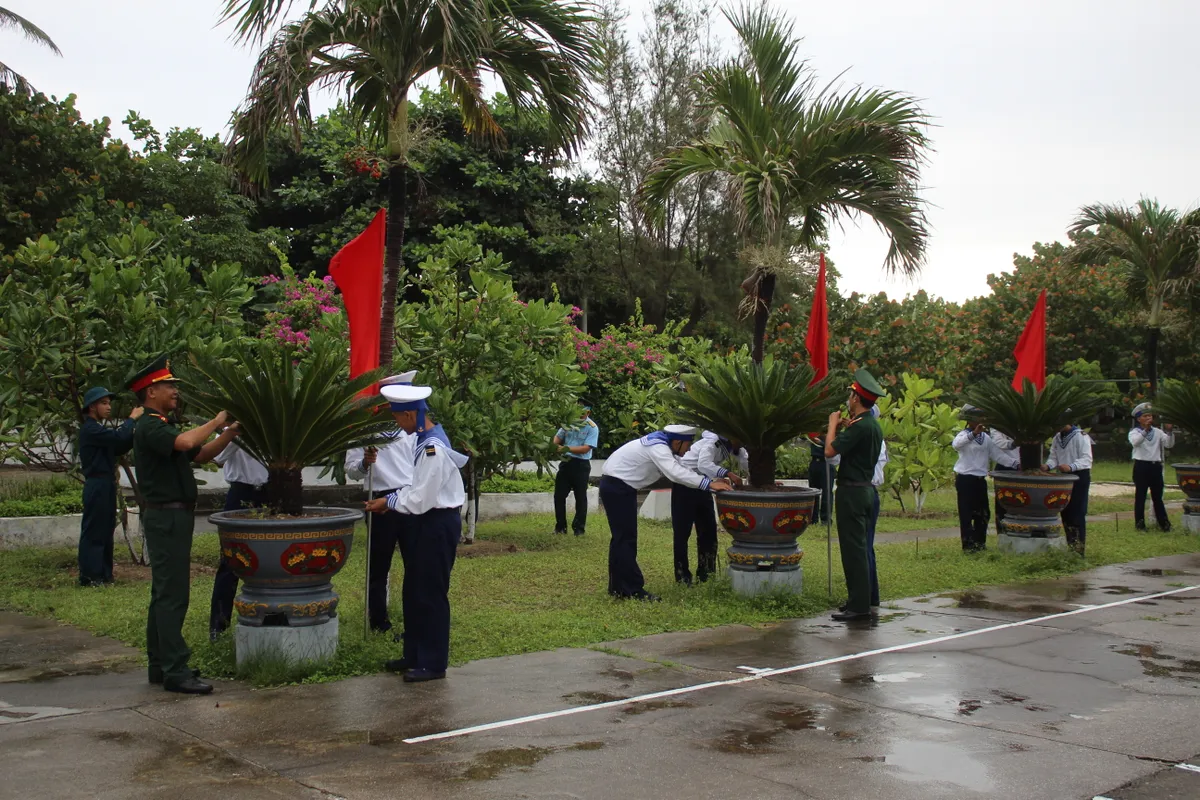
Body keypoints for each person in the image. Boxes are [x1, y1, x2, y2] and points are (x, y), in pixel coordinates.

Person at [129, 355, 238, 695]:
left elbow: (201, 454)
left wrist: (230, 432)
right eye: (168, 386)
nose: (175, 391)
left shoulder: (161, 424)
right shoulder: (150, 426)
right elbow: (188, 443)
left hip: (172, 515)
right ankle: (175, 670)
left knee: (163, 593)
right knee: (173, 594)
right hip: (166, 516)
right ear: (150, 392)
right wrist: (217, 418)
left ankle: (160, 664)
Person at [365, 383, 468, 683]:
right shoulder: (424, 440)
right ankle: (414, 654)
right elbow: (415, 486)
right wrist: (393, 500)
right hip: (426, 520)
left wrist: (390, 500)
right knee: (413, 591)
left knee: (431, 594)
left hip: (436, 523)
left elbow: (422, 498)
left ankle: (433, 663)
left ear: (410, 414)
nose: (397, 424)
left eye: (398, 418)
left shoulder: (432, 446)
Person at [600, 425, 732, 601]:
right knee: (625, 538)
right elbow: (675, 473)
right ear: (677, 442)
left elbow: (681, 468)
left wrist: (709, 480)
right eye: (688, 444)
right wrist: (708, 484)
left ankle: (618, 587)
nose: (690, 448)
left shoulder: (662, 445)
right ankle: (632, 589)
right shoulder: (659, 448)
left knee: (621, 538)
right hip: (618, 488)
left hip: (619, 486)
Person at [347, 371, 418, 635]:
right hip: (379, 498)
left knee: (415, 563)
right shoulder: (365, 431)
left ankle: (414, 619)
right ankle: (378, 621)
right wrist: (366, 462)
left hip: (410, 497)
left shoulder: (415, 428)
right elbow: (352, 470)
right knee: (378, 564)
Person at [824, 369, 885, 622]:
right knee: (862, 547)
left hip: (852, 492)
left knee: (854, 550)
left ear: (857, 399)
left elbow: (829, 451)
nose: (848, 400)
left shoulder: (860, 427)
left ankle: (858, 606)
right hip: (866, 490)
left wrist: (832, 425)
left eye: (850, 396)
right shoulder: (871, 425)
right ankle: (865, 599)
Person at [76, 387, 143, 587]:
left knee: (105, 529)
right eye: (104, 403)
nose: (108, 407)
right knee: (95, 529)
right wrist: (131, 419)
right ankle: (90, 576)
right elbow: (117, 438)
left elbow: (119, 445)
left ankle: (104, 574)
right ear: (92, 407)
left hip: (105, 483)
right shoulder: (91, 429)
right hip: (96, 483)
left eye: (108, 402)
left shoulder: (99, 429)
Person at [207, 433, 268, 641]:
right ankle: (219, 625)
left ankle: (269, 619)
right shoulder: (230, 431)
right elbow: (217, 457)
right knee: (231, 560)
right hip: (241, 492)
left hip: (271, 492)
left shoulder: (275, 425)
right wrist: (236, 431)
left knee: (270, 560)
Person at [673, 431, 747, 585]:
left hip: (703, 484)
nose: (741, 444)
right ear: (732, 437)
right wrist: (728, 474)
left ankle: (707, 574)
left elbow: (745, 460)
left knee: (708, 531)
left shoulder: (734, 446)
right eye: (740, 440)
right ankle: (682, 576)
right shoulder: (712, 442)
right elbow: (703, 464)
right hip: (685, 484)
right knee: (682, 532)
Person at [952, 408, 1020, 552]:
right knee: (966, 513)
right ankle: (968, 545)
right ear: (969, 421)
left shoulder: (986, 439)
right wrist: (973, 434)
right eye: (977, 419)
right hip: (965, 479)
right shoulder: (963, 435)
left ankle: (980, 543)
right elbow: (956, 445)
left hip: (979, 479)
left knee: (983, 513)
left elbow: (997, 455)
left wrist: (1015, 464)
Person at [1044, 421, 1093, 555]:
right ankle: (1071, 545)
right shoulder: (1057, 438)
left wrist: (1071, 466)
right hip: (1063, 477)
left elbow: (1086, 459)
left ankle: (1079, 549)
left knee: (1077, 512)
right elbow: (1054, 457)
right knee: (1065, 512)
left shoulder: (1081, 436)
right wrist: (1047, 466)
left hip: (1079, 476)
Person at [552, 399, 600, 536]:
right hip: (566, 462)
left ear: (588, 411)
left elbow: (586, 448)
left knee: (580, 497)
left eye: (582, 411)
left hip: (581, 465)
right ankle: (560, 527)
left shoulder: (592, 427)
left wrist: (565, 448)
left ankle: (579, 529)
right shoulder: (569, 422)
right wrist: (554, 446)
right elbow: (558, 437)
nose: (578, 414)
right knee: (559, 496)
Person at [1129, 402, 1175, 532]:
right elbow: (1135, 442)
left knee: (1157, 497)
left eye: (1150, 416)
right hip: (1141, 466)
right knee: (1140, 496)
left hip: (1155, 467)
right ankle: (1140, 524)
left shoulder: (1158, 432)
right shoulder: (1134, 432)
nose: (1149, 418)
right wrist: (1145, 431)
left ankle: (1164, 523)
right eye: (1145, 416)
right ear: (1139, 419)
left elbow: (1169, 444)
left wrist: (1170, 432)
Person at [867, 407, 889, 610]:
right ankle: (871, 595)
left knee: (861, 547)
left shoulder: (866, 435)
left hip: (863, 490)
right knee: (866, 546)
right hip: (871, 491)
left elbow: (832, 456)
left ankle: (864, 597)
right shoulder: (879, 438)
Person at [989, 427, 1019, 531]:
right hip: (1004, 467)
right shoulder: (997, 423)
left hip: (1024, 467)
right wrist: (1014, 443)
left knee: (1020, 501)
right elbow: (998, 442)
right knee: (1003, 502)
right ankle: (1003, 533)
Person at [808, 434, 838, 525]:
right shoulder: (815, 428)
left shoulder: (834, 429)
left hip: (826, 462)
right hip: (815, 462)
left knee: (827, 492)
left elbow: (835, 446)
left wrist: (821, 443)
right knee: (813, 491)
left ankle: (825, 519)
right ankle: (813, 518)